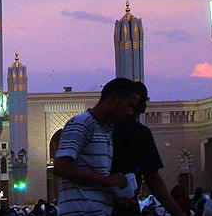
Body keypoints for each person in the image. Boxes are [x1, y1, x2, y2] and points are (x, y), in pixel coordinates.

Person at [53, 77, 142, 216]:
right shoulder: (81, 123)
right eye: (129, 106)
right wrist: (106, 181)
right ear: (113, 100)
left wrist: (117, 192)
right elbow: (61, 166)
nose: (130, 112)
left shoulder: (106, 131)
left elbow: (93, 181)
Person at [109, 81, 187, 216]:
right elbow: (153, 178)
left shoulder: (101, 128)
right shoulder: (138, 133)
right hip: (124, 206)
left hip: (95, 204)